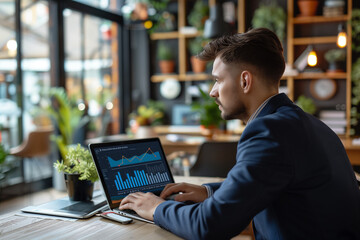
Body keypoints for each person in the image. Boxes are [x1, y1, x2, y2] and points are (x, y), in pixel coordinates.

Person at [119, 28, 360, 239]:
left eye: (217, 80)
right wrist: (209, 191)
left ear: (245, 81)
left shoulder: (268, 131)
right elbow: (268, 179)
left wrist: (156, 208)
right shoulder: (305, 123)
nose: (212, 92)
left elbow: (210, 225)